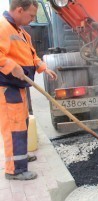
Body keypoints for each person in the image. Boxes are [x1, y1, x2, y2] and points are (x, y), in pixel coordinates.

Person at [0, 0, 57, 180]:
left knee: (22, 124)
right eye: (31, 15)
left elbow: (31, 54)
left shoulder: (21, 32)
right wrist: (10, 65)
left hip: (19, 87)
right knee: (13, 128)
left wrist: (42, 67)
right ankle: (14, 170)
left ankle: (21, 158)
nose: (32, 19)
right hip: (7, 87)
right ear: (19, 10)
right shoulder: (3, 28)